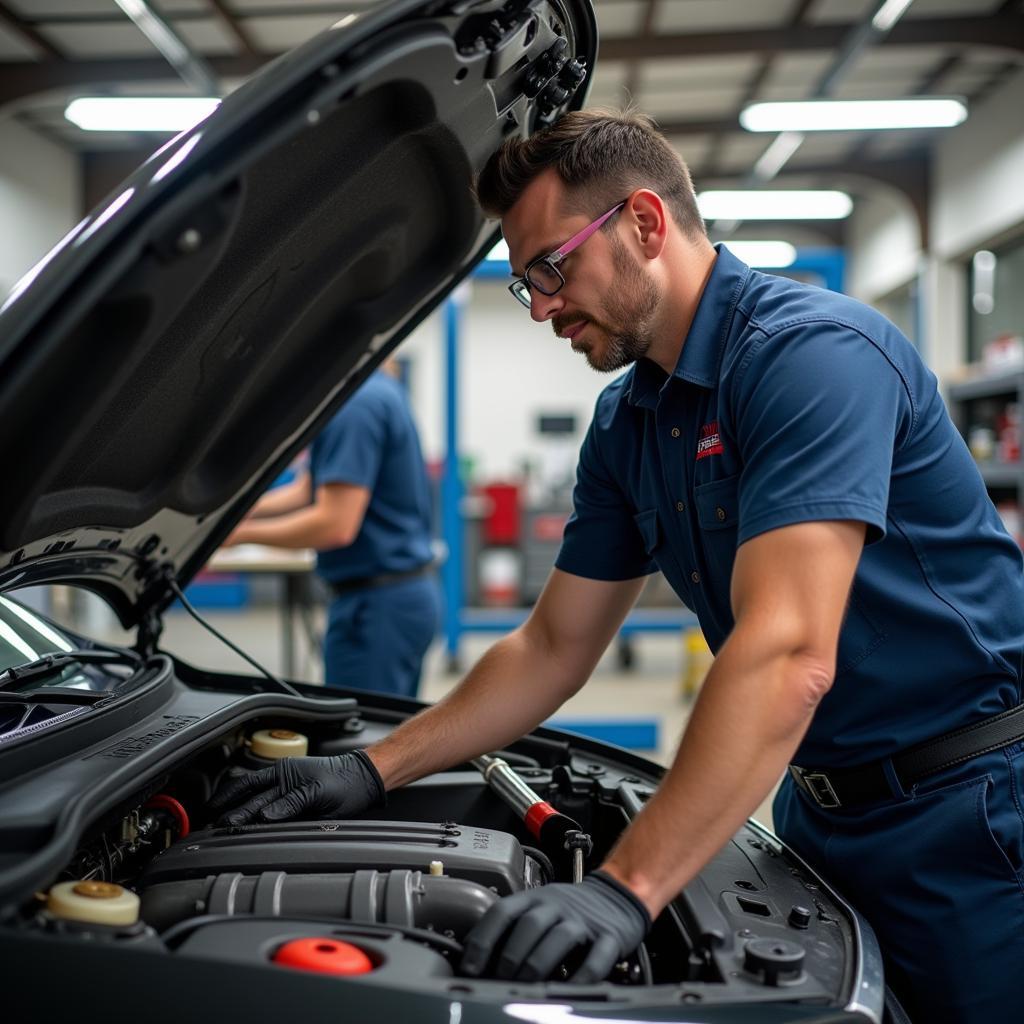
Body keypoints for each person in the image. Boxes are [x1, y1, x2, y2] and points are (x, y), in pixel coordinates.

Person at [211, 111, 1024, 1022]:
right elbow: (552, 646)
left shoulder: (813, 358)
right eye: (527, 288)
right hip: (814, 809)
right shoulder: (627, 421)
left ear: (644, 222)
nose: (546, 307)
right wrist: (374, 768)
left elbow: (788, 652)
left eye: (552, 269)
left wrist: (626, 887)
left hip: (971, 815)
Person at [223, 360, 439, 697]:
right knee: (388, 729)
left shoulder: (355, 405)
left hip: (376, 608)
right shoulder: (376, 391)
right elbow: (307, 487)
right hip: (398, 598)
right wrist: (237, 513)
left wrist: (237, 535)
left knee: (364, 740)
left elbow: (335, 525)